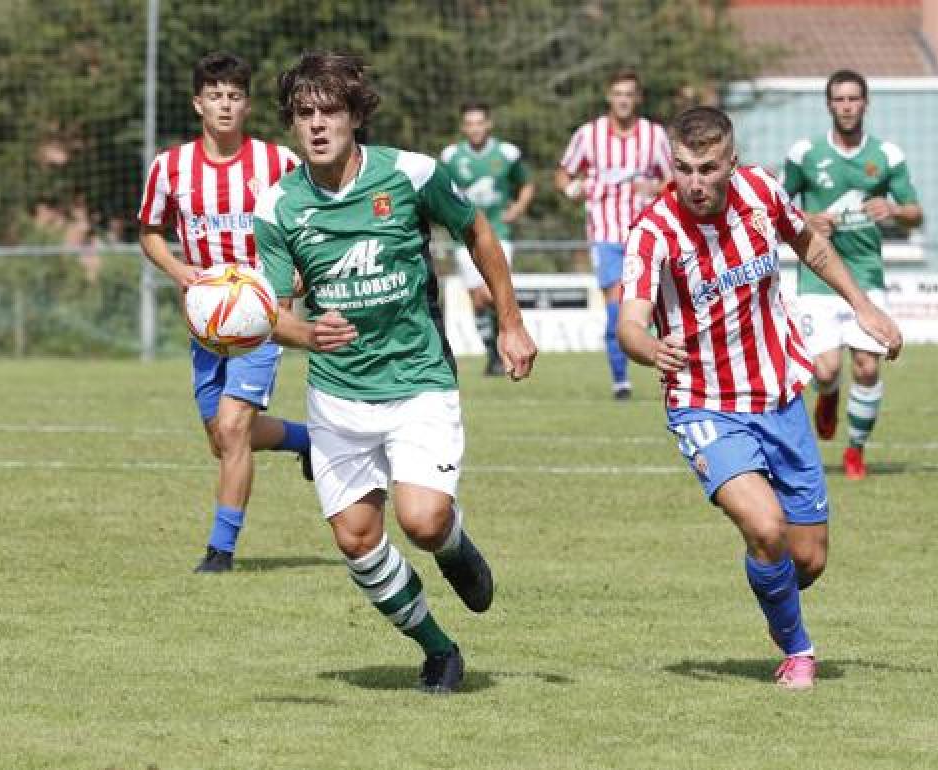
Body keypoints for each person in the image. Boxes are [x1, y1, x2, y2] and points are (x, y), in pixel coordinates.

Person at [254, 52, 538, 694]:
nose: (318, 125)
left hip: (417, 382)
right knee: (357, 541)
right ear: (292, 126)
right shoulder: (276, 207)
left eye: (330, 111)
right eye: (304, 114)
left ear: (355, 116)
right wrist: (305, 332)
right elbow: (273, 313)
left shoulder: (412, 175)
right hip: (337, 397)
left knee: (424, 521)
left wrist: (513, 322)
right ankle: (438, 650)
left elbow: (479, 232)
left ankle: (455, 545)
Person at [618, 106, 902, 690]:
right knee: (766, 526)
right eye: (683, 169)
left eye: (708, 169)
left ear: (732, 163)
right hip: (703, 402)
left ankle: (771, 588)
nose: (695, 182)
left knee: (807, 560)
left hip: (778, 395)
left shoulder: (761, 191)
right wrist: (650, 348)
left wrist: (863, 306)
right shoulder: (654, 232)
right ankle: (798, 651)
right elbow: (630, 323)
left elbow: (812, 245)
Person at [137, 52, 312, 574]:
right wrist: (179, 270)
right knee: (221, 438)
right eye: (215, 95)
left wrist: (298, 277)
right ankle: (308, 439)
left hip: (261, 318)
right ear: (198, 104)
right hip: (205, 323)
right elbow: (150, 234)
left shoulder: (278, 162)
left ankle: (220, 551)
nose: (225, 104)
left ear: (247, 104)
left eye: (234, 96)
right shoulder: (169, 167)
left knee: (235, 429)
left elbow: (313, 221)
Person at [782, 69, 923, 479]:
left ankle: (855, 452)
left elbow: (915, 212)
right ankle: (827, 395)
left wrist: (895, 210)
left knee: (867, 365)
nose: (847, 106)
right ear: (829, 105)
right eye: (839, 99)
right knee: (825, 369)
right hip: (817, 277)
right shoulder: (805, 154)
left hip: (866, 275)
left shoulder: (887, 156)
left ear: (866, 103)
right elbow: (774, 207)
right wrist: (808, 219)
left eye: (853, 99)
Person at [556, 67, 672, 400]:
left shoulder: (654, 135)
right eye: (617, 94)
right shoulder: (588, 135)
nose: (623, 101)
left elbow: (672, 179)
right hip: (606, 234)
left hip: (648, 234)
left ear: (638, 99)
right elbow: (563, 176)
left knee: (653, 308)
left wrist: (653, 186)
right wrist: (573, 190)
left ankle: (669, 368)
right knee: (617, 305)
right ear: (609, 97)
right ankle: (621, 380)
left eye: (628, 95)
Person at [440, 101, 535, 376]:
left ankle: (502, 340)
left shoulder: (506, 154)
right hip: (464, 235)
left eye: (479, 123)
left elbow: (526, 184)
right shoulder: (451, 156)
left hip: (498, 233)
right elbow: (441, 189)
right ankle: (492, 354)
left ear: (488, 124)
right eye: (469, 124)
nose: (475, 129)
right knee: (477, 299)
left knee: (490, 291)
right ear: (463, 127)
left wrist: (517, 208)